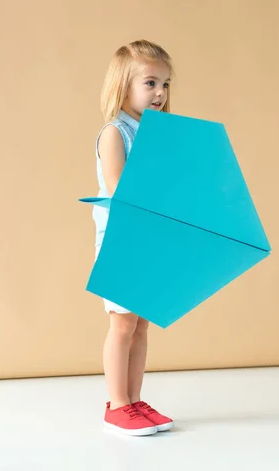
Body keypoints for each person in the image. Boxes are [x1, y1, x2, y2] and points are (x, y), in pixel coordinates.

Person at [93, 40, 175, 436]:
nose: (160, 93)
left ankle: (134, 400)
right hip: (121, 244)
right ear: (123, 85)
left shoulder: (156, 134)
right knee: (122, 325)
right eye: (151, 83)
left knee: (141, 326)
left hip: (148, 243)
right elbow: (119, 189)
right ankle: (117, 404)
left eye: (165, 84)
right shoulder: (115, 132)